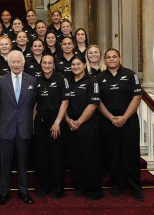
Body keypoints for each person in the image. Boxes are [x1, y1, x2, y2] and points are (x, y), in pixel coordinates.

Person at [97, 49, 144, 202]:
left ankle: (135, 187)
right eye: (108, 57)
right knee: (112, 155)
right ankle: (116, 185)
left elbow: (137, 97)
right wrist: (111, 118)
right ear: (105, 60)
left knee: (131, 154)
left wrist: (124, 117)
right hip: (108, 122)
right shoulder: (99, 78)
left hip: (128, 121)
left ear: (119, 58)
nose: (111, 59)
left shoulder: (130, 75)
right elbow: (98, 102)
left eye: (114, 57)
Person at [0, 50, 37, 205]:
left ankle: (23, 192)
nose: (16, 64)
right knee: (4, 164)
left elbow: (33, 103)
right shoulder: (1, 81)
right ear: (8, 63)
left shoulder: (32, 81)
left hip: (24, 128)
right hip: (5, 128)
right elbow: (0, 104)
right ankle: (4, 193)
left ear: (23, 62)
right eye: (13, 62)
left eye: (18, 61)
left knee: (22, 163)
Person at [65, 55, 102, 201]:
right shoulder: (68, 82)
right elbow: (64, 103)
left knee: (89, 158)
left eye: (78, 64)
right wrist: (68, 120)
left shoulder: (92, 81)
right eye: (73, 64)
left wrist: (78, 122)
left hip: (87, 125)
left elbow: (93, 105)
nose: (75, 67)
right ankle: (79, 186)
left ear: (84, 64)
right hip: (71, 124)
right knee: (75, 158)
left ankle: (93, 190)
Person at [33, 55, 69, 199]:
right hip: (40, 121)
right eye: (44, 63)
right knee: (41, 156)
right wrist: (33, 123)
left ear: (54, 64)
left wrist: (57, 122)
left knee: (56, 156)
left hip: (56, 122)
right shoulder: (36, 80)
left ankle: (57, 189)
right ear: (41, 64)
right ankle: (43, 187)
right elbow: (34, 104)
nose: (47, 65)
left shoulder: (61, 79)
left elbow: (65, 102)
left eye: (49, 63)